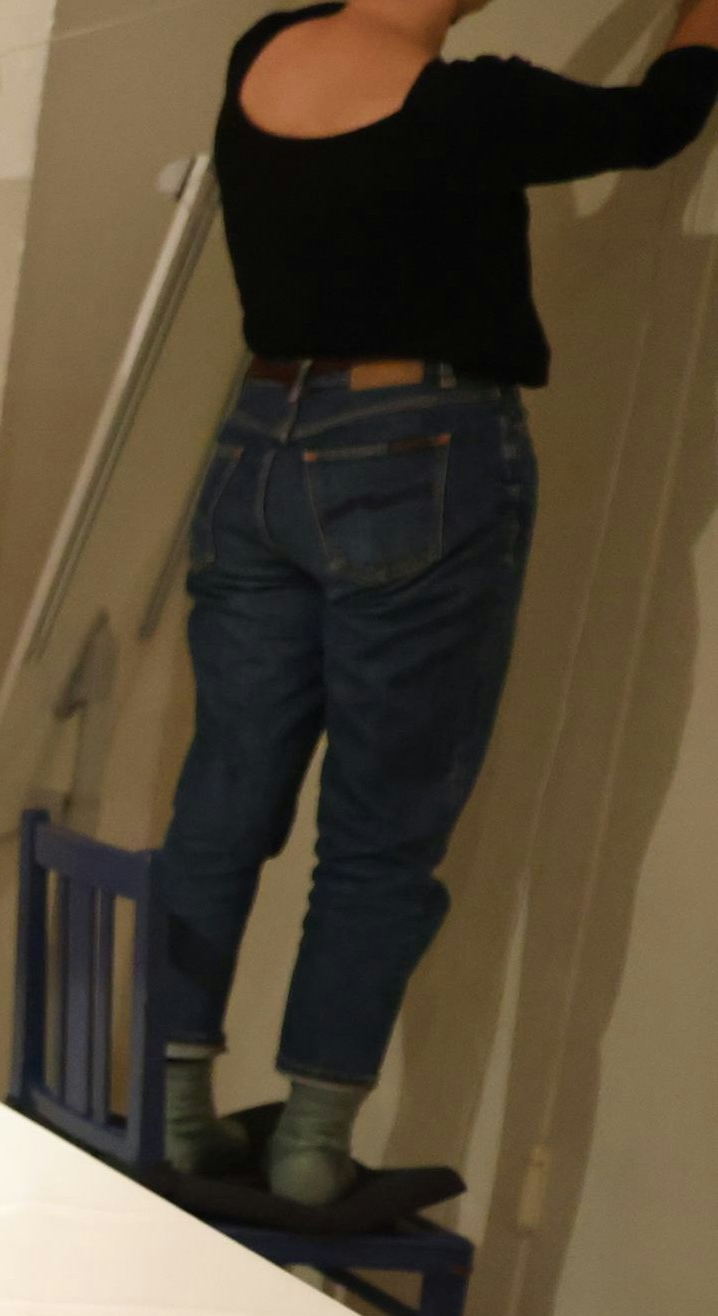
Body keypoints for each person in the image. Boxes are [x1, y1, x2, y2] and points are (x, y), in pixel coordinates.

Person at [159, 0, 718, 1202]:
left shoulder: (266, 50)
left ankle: (177, 1110)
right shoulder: (470, 106)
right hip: (414, 449)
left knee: (224, 795)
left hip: (258, 445)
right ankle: (310, 1145)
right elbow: (653, 124)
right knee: (381, 824)